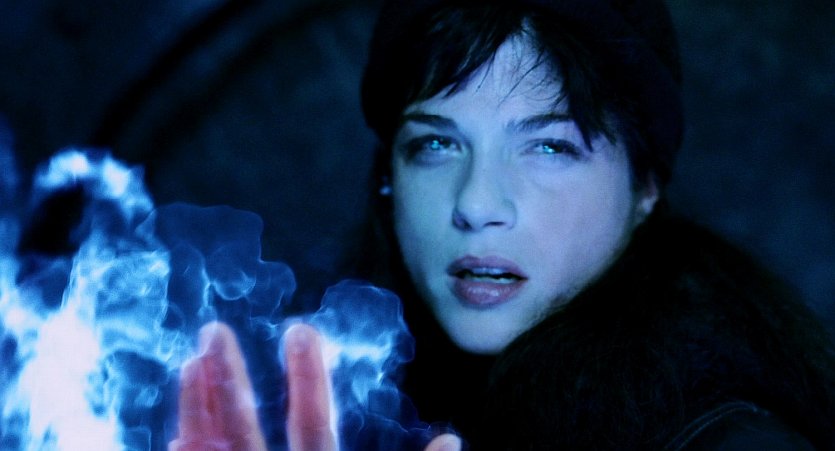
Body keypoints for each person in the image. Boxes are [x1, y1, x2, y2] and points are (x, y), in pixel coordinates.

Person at [170, 0, 835, 449]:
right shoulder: (356, 401)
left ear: (644, 187)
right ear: (388, 176)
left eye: (549, 146)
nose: (477, 201)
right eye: (435, 144)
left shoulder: (727, 437)